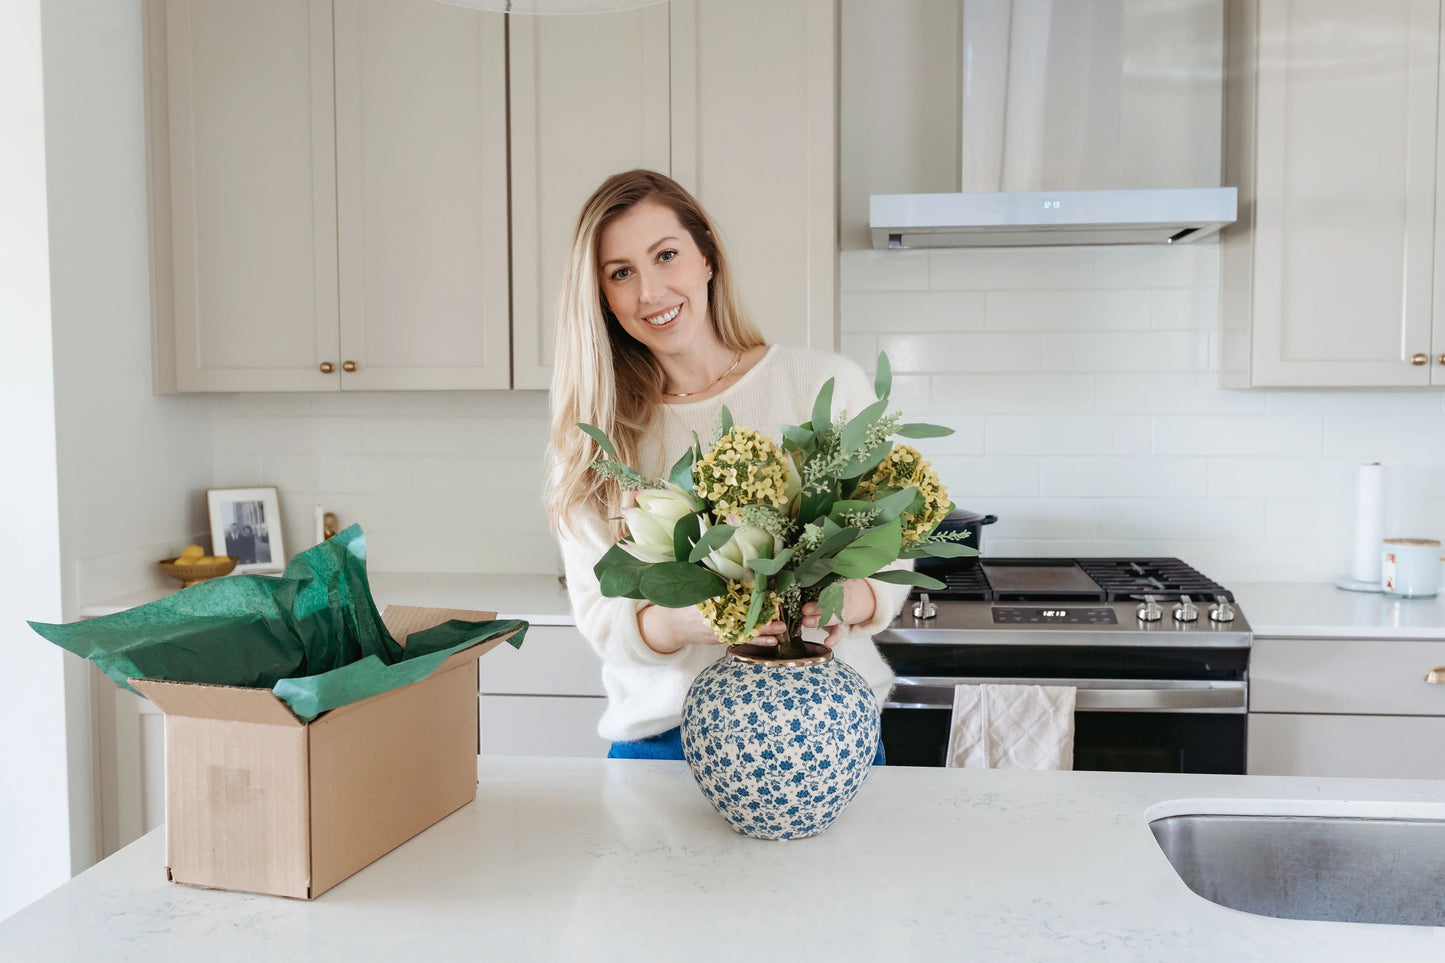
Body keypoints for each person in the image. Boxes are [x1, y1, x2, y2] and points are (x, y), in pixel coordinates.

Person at [544, 169, 912, 762]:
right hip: (669, 743)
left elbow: (892, 551)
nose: (650, 292)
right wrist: (693, 619)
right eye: (621, 273)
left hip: (826, 730)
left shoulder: (822, 383)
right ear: (601, 296)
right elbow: (600, 616)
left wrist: (850, 598)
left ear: (707, 257)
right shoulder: (599, 437)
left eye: (666, 255)